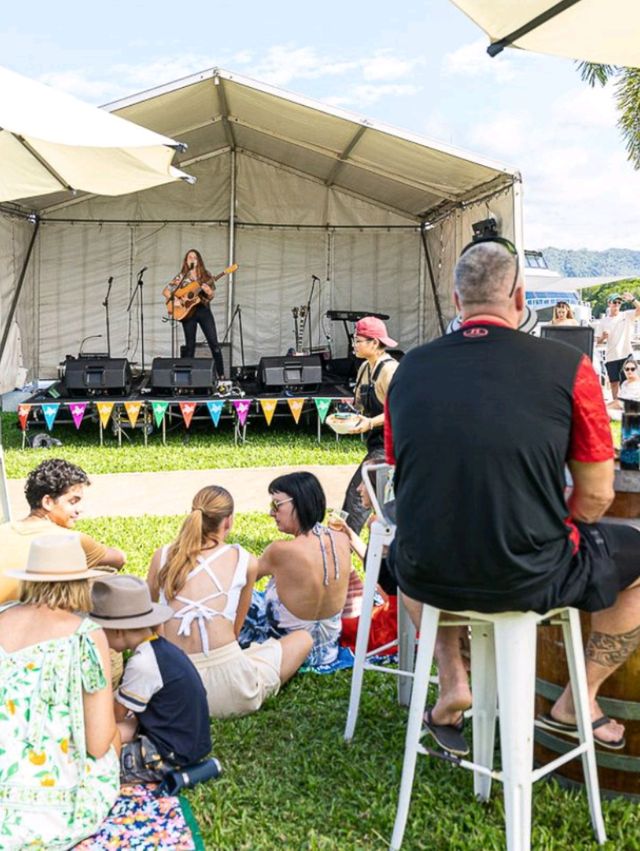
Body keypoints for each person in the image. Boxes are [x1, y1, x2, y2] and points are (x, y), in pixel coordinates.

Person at [386, 239, 640, 754]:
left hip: (425, 567)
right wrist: (550, 525)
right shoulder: (569, 367)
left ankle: (453, 677)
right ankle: (578, 698)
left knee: (408, 549)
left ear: (457, 303)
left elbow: (407, 468)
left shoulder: (409, 369)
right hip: (530, 573)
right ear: (520, 298)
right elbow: (595, 496)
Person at [147, 486, 312, 719]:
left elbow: (147, 618)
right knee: (303, 639)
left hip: (172, 688)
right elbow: (234, 632)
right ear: (228, 521)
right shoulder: (245, 561)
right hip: (232, 688)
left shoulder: (161, 556)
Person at [0, 534, 120, 848]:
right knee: (113, 740)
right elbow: (96, 742)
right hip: (49, 803)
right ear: (81, 582)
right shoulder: (86, 636)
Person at [90, 574, 212, 782]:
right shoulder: (159, 650)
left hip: (170, 754)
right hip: (187, 743)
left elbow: (115, 715)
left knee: (94, 763)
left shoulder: (142, 664)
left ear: (118, 631)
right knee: (121, 730)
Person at [240, 472, 351, 667]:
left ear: (299, 503)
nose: (271, 513)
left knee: (237, 599)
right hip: (327, 651)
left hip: (288, 652)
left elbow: (241, 581)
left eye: (276, 505)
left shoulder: (280, 550)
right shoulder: (341, 539)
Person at [0, 458, 126, 603]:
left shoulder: (3, 530)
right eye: (73, 502)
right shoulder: (71, 540)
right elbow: (119, 559)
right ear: (47, 502)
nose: (79, 510)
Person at [342, 316, 399, 533]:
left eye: (359, 340)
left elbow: (397, 409)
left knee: (358, 494)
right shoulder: (365, 368)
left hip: (391, 444)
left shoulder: (390, 370)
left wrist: (369, 423)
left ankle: (343, 543)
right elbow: (359, 405)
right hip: (376, 442)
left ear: (375, 343)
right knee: (382, 497)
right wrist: (348, 417)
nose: (354, 344)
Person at [163, 248, 225, 378]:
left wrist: (209, 292)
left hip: (203, 310)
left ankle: (221, 375)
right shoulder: (181, 277)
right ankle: (186, 379)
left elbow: (211, 296)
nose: (192, 259)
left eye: (194, 257)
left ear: (199, 260)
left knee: (214, 343)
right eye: (189, 257)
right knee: (189, 346)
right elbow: (166, 291)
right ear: (186, 261)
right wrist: (176, 300)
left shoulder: (206, 276)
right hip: (188, 313)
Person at [596, 291, 640, 400]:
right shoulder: (603, 322)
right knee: (614, 383)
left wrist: (633, 300)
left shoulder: (626, 315)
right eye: (614, 302)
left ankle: (631, 402)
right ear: (609, 304)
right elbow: (598, 342)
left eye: (619, 302)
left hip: (626, 354)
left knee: (631, 380)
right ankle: (616, 404)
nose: (617, 304)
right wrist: (603, 338)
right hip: (611, 356)